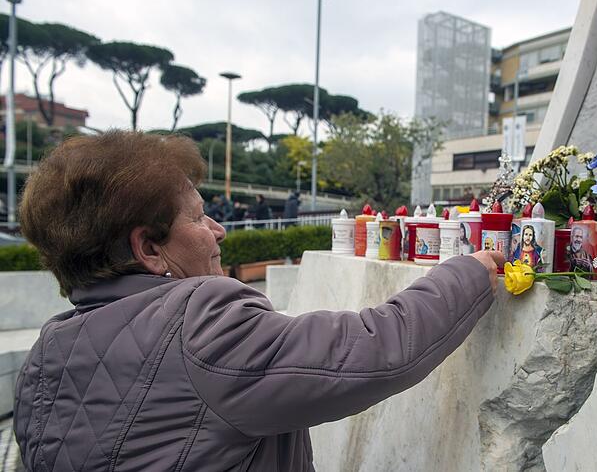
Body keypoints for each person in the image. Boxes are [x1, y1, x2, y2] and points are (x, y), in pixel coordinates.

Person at [13, 131, 504, 471]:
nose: (219, 230)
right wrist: (470, 271)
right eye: (200, 218)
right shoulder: (198, 321)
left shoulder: (46, 352)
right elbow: (374, 349)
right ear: (149, 248)